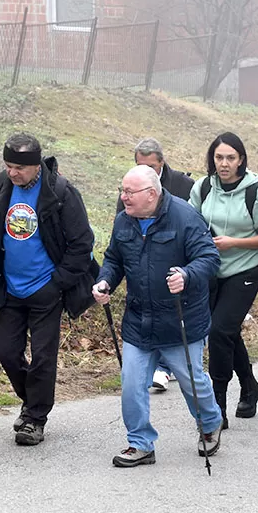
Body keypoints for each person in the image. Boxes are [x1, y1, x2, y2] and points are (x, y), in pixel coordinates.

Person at [0, 133, 95, 446]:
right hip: (8, 287)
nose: (12, 172)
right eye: (8, 166)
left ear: (36, 165)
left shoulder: (60, 192)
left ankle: (35, 419)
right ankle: (31, 400)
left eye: (19, 168)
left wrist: (58, 282)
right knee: (6, 353)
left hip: (46, 290)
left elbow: (82, 244)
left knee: (43, 358)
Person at [94, 165, 223, 467]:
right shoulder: (123, 221)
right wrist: (105, 281)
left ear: (151, 194)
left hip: (180, 319)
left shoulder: (184, 216)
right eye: (122, 190)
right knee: (132, 382)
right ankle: (140, 443)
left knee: (191, 381)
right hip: (139, 320)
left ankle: (209, 423)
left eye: (130, 192)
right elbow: (114, 259)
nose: (123, 197)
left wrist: (186, 275)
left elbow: (209, 258)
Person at [189, 132, 258, 428]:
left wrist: (234, 243)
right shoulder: (203, 187)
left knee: (219, 331)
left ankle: (218, 408)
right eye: (219, 157)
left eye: (230, 158)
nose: (224, 163)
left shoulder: (257, 194)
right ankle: (250, 387)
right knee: (225, 332)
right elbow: (191, 222)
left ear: (241, 160)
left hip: (245, 270)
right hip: (211, 271)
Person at [114, 138, 194, 393]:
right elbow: (121, 233)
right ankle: (155, 370)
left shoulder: (183, 185)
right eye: (140, 164)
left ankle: (165, 367)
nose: (145, 169)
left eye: (151, 165)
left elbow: (196, 228)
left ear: (162, 163)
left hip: (177, 268)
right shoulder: (129, 191)